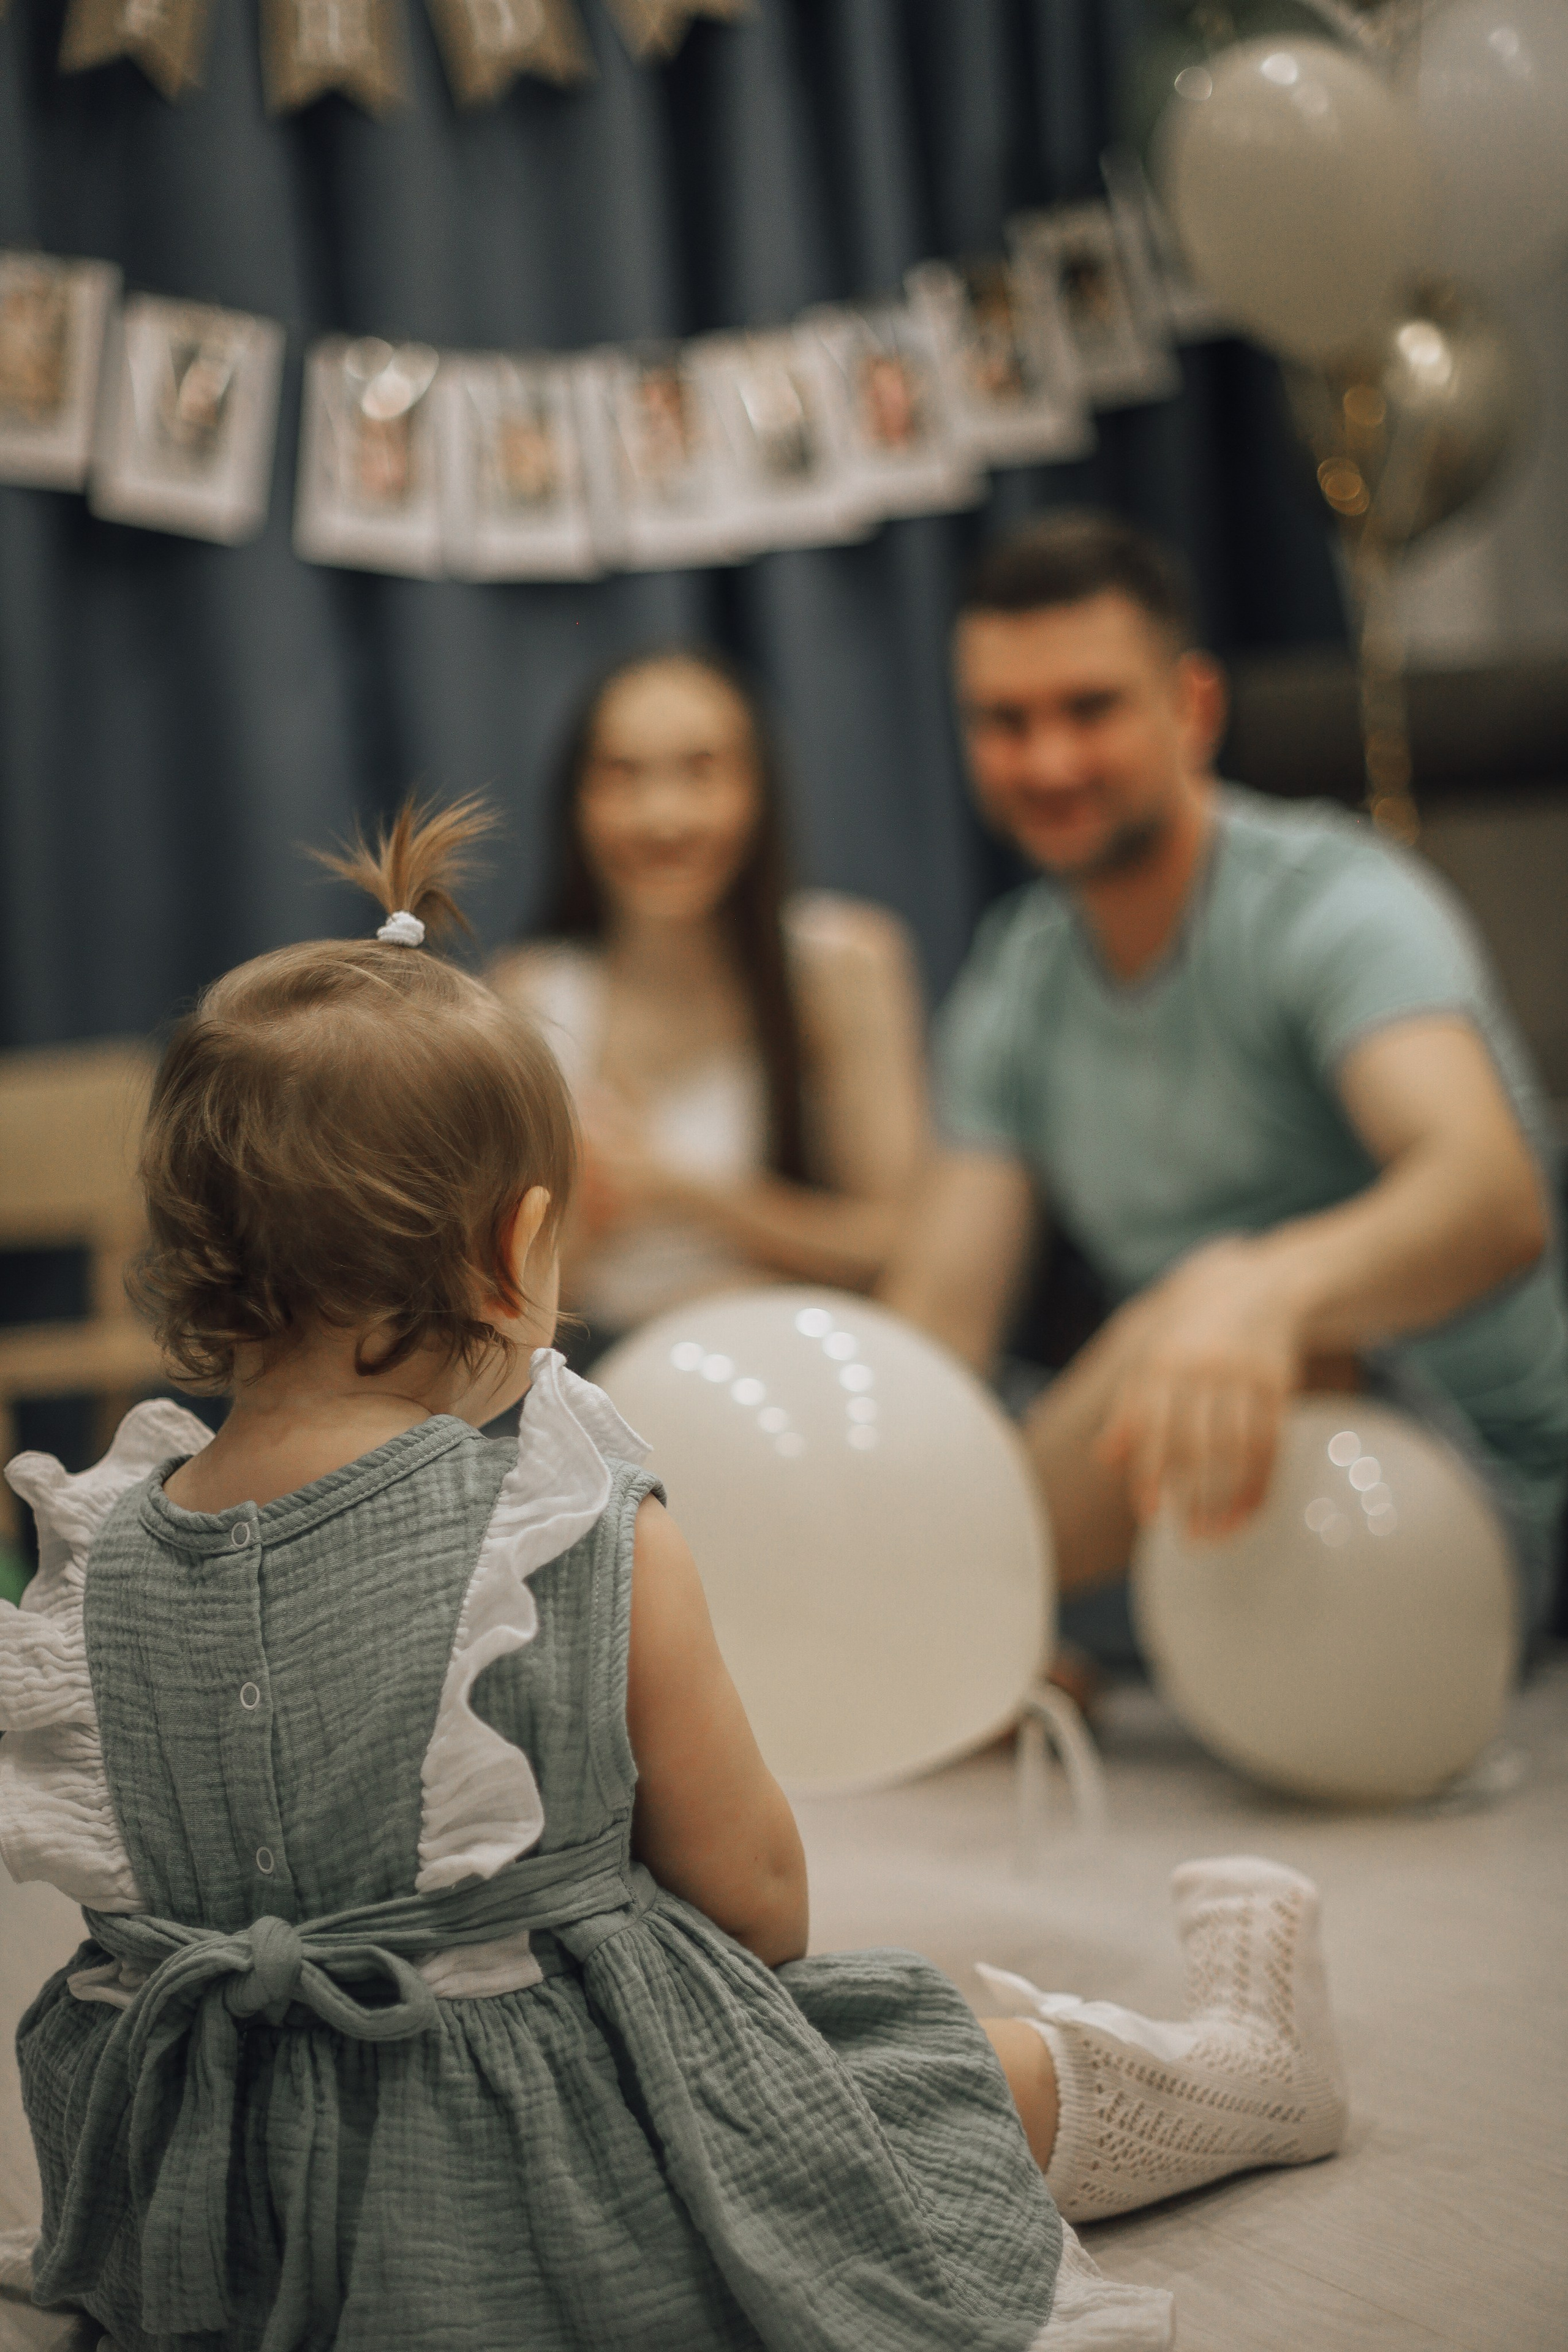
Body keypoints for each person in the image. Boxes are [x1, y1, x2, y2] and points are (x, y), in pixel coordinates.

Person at [0, 801, 1349, 2352]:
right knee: (876, 2056)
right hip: (533, 2194)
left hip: (222, 2218)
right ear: (521, 1248)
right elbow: (760, 1902)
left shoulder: (102, 1555)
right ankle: (1239, 2074)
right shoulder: (563, 1511)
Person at [884, 510, 1568, 1667]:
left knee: (1204, 1305)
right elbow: (939, 1323)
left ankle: (932, 1625)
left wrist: (1266, 1290)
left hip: (1466, 1490)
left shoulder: (1335, 904)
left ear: (1191, 707)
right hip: (1211, 1465)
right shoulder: (1019, 969)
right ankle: (954, 1617)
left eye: (1089, 709)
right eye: (1005, 723)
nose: (1047, 762)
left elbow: (1495, 1199)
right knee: (911, 1405)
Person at [489, 647, 928, 1357]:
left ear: (759, 792)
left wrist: (680, 1190)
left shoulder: (846, 961)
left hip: (808, 1357)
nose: (663, 817)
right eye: (622, 776)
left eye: (701, 771)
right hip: (605, 1377)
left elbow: (896, 1247)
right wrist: (586, 1223)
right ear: (576, 804)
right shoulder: (529, 991)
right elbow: (499, 1307)